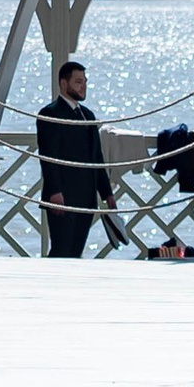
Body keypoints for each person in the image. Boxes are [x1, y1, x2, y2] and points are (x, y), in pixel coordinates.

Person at [35, 58, 116, 257]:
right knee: (62, 248)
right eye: (78, 82)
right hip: (62, 196)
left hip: (86, 197)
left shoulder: (88, 115)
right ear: (64, 83)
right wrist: (55, 191)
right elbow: (48, 156)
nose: (83, 86)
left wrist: (107, 193)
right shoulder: (50, 113)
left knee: (76, 250)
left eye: (85, 82)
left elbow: (97, 157)